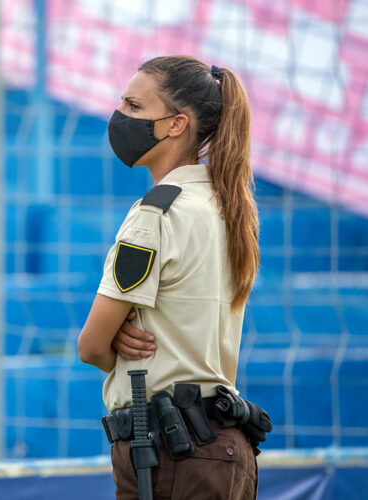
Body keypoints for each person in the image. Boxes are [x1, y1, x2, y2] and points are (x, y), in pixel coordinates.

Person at [77, 55, 271, 499]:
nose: (120, 116)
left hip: (171, 454)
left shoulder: (156, 213)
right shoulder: (228, 207)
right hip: (224, 448)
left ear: (176, 124)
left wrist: (115, 345)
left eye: (134, 106)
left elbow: (90, 346)